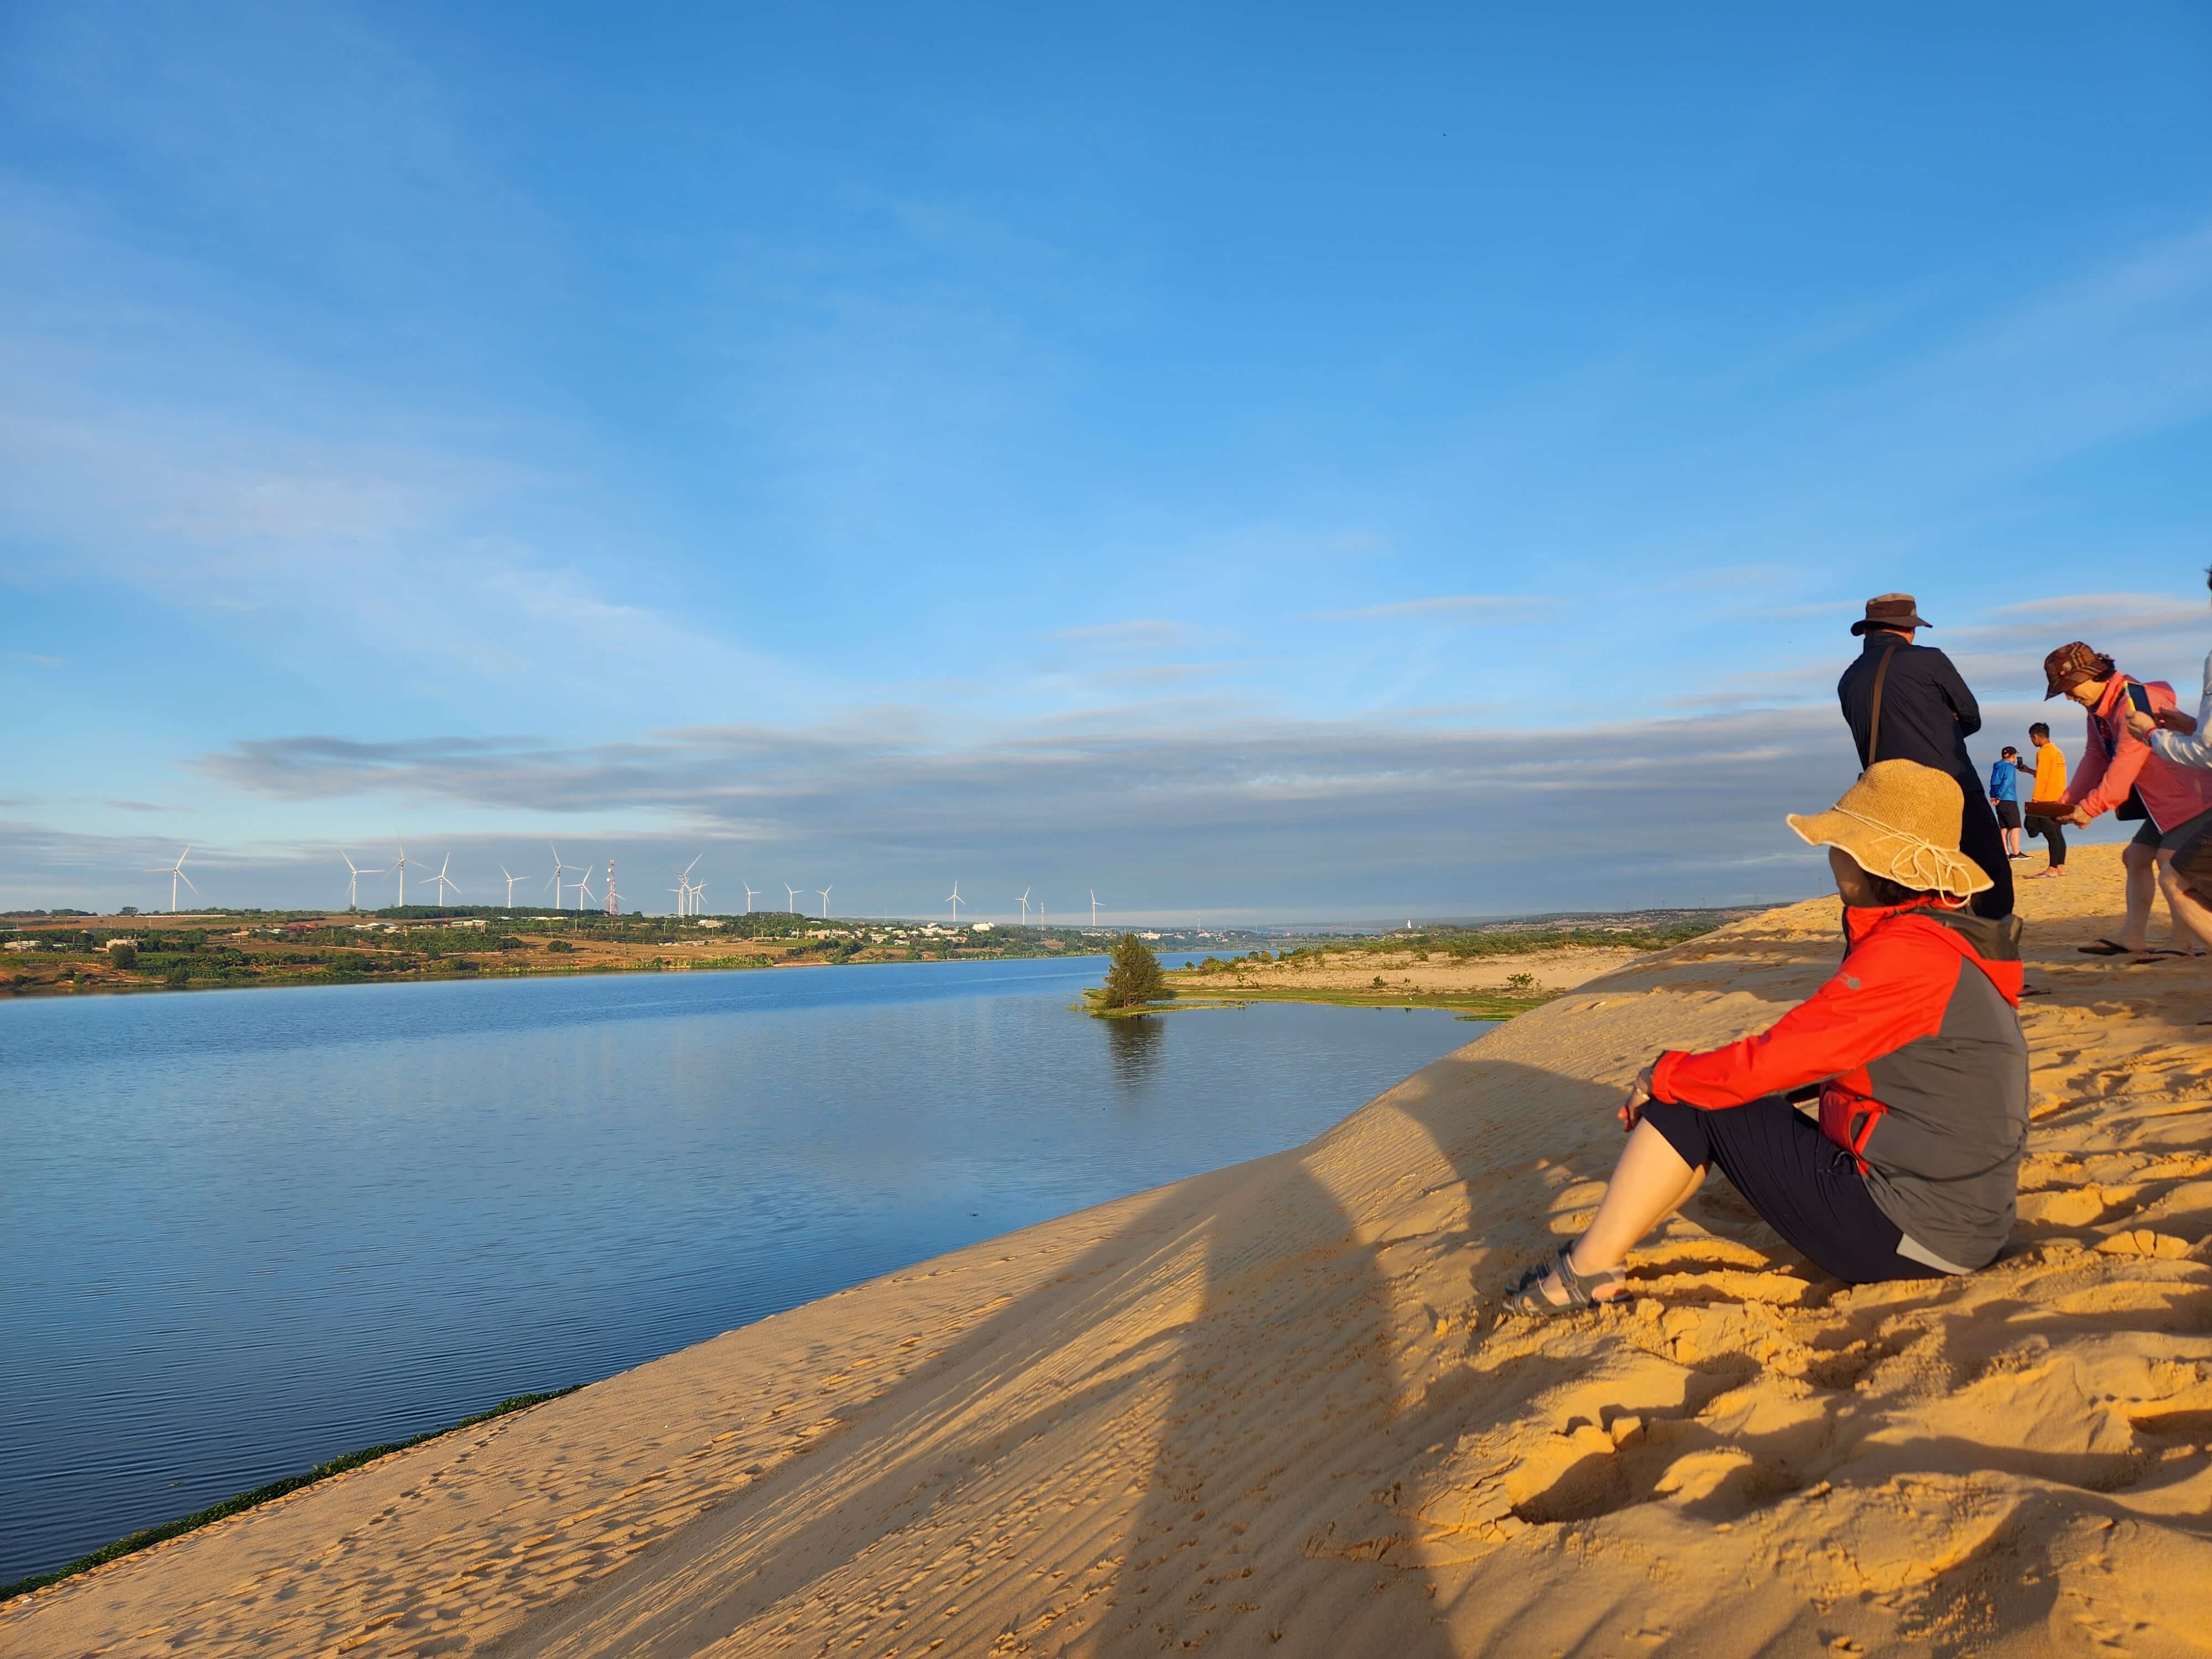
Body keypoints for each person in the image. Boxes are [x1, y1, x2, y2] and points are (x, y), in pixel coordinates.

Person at [1505, 760, 2027, 1313]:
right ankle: (1599, 1258)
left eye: (1841, 844)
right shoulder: (1937, 939)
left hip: (1915, 1233)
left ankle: (1585, 1271)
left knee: (1694, 1100)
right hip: (1958, 1221)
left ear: (1876, 863)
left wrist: (1663, 1075)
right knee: (1709, 1095)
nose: (1831, 856)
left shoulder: (1909, 956)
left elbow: (1782, 1057)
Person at [1835, 593, 2011, 920]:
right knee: (1988, 867)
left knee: (1908, 880)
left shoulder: (1848, 679)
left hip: (1887, 795)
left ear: (1869, 632)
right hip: (1948, 780)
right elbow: (1971, 716)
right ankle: (1992, 939)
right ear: (1908, 629)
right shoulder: (1929, 660)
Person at [2044, 640, 2212, 960]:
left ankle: (2181, 944)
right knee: (2135, 858)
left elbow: (2125, 763)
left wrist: (2090, 809)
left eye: (2069, 687)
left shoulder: (2134, 702)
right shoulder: (2099, 710)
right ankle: (2133, 937)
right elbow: (2095, 758)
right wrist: (2067, 801)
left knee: (2171, 861)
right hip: (2163, 802)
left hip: (2195, 795)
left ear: (2094, 675)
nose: (2068, 696)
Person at [2123, 565, 2212, 938]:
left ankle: (2180, 942)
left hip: (2190, 801)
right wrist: (2191, 725)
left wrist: (2152, 737)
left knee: (2176, 878)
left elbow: (2208, 752)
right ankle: (2136, 937)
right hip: (2175, 804)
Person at [2021, 722, 2069, 878]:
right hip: (2060, 798)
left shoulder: (2044, 753)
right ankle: (2061, 866)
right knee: (2058, 833)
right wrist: (2029, 771)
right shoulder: (2057, 752)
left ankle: (2052, 868)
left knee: (2050, 834)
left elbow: (2042, 779)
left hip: (2047, 799)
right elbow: (2048, 774)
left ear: (2036, 737)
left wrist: (2035, 801)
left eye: (2031, 738)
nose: (2032, 741)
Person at [1989, 745, 2023, 858]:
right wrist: (1999, 796)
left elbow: (1992, 783)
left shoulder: (1997, 767)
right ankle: (2016, 852)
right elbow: (2007, 782)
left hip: (1999, 802)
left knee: (2004, 828)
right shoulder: (2010, 768)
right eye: (2015, 756)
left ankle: (2006, 853)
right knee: (2016, 827)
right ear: (2013, 756)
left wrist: (1994, 796)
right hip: (2008, 800)